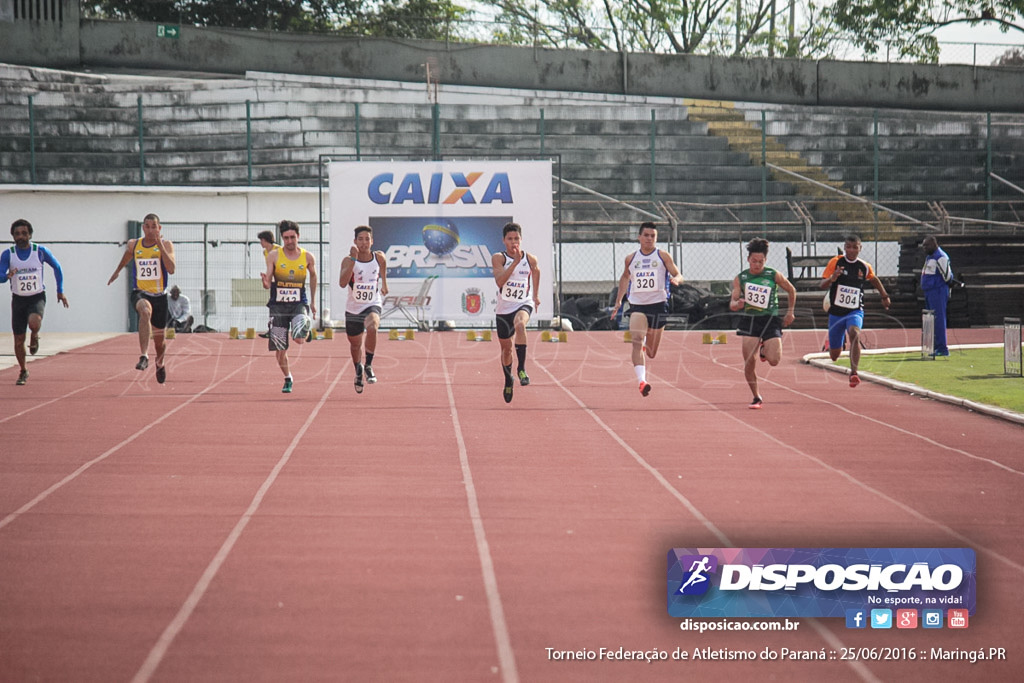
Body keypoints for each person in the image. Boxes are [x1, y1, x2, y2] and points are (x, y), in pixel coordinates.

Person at [609, 221, 684, 397]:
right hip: (637, 305)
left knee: (651, 352)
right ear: (639, 237)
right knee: (636, 339)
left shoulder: (662, 256)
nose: (650, 239)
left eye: (653, 236)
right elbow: (625, 278)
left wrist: (677, 280)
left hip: (658, 305)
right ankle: (642, 381)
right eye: (647, 235)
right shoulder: (631, 258)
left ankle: (645, 347)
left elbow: (678, 274)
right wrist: (619, 301)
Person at [728, 238, 797, 409]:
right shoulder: (741, 278)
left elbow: (791, 290)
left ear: (765, 261)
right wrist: (738, 304)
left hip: (770, 320)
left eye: (761, 261)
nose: (757, 265)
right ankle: (756, 396)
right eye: (754, 261)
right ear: (748, 259)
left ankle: (764, 350)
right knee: (749, 362)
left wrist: (790, 311)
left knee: (774, 360)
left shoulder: (772, 274)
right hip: (750, 320)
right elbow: (733, 303)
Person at [107, 213, 175, 384]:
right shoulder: (134, 244)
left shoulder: (166, 245)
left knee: (160, 343)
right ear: (143, 227)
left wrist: (160, 245)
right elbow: (128, 256)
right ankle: (144, 355)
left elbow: (172, 269)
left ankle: (160, 362)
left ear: (159, 228)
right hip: (140, 292)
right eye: (147, 226)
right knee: (145, 311)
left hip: (160, 296)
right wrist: (117, 271)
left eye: (154, 226)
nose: (150, 230)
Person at [1, 219, 69, 385]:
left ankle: (35, 334)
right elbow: (0, 276)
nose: (21, 237)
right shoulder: (8, 254)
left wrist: (60, 290)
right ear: (13, 236)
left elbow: (57, 267)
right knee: (18, 340)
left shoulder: (39, 251)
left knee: (34, 322)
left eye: (24, 233)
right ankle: (23, 370)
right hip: (18, 299)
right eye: (17, 234)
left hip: (36, 296)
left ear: (30, 234)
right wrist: (7, 275)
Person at [821, 234, 890, 387]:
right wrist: (832, 278)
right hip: (836, 313)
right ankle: (837, 343)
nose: (851, 250)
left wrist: (884, 296)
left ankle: (854, 373)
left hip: (855, 310)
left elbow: (874, 279)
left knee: (855, 333)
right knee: (834, 355)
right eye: (848, 247)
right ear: (844, 247)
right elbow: (822, 284)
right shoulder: (836, 262)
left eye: (855, 247)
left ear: (860, 248)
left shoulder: (864, 266)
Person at [263, 220, 316, 393]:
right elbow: (269, 280)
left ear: (298, 236)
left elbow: (314, 277)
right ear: (282, 238)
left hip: (298, 303)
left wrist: (313, 302)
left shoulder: (307, 257)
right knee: (280, 348)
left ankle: (305, 331)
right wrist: (265, 282)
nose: (290, 241)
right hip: (278, 306)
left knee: (299, 339)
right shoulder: (274, 256)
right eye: (286, 238)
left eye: (293, 237)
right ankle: (288, 378)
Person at [492, 222, 541, 403]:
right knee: (506, 350)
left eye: (517, 239)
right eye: (510, 239)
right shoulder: (499, 258)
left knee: (521, 324)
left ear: (521, 240)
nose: (514, 242)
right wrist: (515, 263)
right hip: (504, 309)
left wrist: (535, 296)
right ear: (504, 240)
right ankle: (508, 379)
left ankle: (522, 369)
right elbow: (500, 281)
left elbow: (536, 272)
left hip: (523, 304)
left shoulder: (530, 259)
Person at [338, 225, 388, 393]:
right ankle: (358, 370)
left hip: (372, 302)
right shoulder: (348, 260)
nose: (364, 242)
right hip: (353, 308)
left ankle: (368, 365)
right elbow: (343, 283)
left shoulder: (379, 257)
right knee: (355, 344)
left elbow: (383, 269)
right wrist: (353, 260)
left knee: (373, 326)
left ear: (372, 241)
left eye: (367, 239)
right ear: (355, 241)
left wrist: (385, 285)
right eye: (361, 239)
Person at [921, 235, 954, 357]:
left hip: (938, 291)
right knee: (931, 320)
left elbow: (947, 276)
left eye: (926, 245)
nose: (924, 248)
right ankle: (934, 346)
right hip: (929, 291)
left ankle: (942, 348)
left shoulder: (940, 257)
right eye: (923, 245)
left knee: (939, 319)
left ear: (934, 244)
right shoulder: (930, 257)